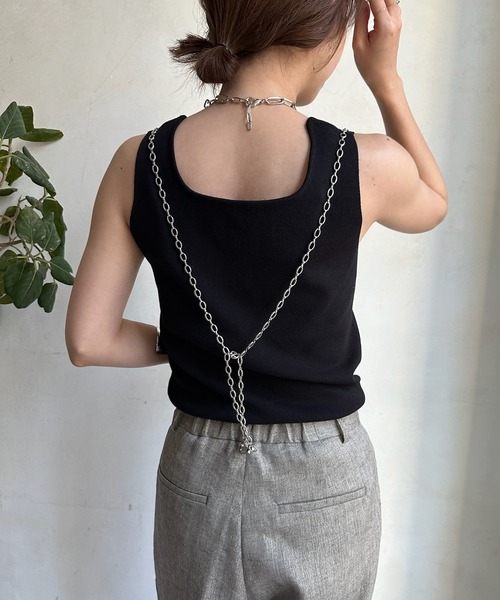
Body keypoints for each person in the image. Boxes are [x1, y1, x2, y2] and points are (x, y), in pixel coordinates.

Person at [65, 0, 447, 598]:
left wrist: (188, 343)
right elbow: (433, 201)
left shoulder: (139, 161)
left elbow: (89, 341)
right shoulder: (365, 164)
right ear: (328, 35)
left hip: (198, 463)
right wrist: (386, 80)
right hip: (324, 473)